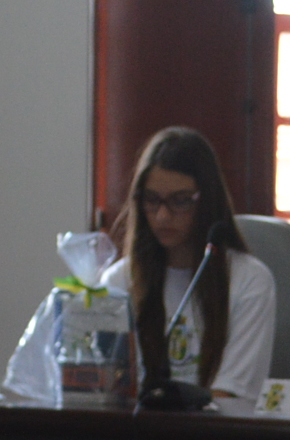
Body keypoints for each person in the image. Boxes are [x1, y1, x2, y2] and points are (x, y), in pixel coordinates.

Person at [103, 128, 276, 403]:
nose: (162, 216)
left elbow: (231, 396)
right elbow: (110, 391)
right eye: (152, 200)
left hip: (216, 429)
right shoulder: (118, 282)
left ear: (207, 200)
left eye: (180, 201)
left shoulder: (250, 279)